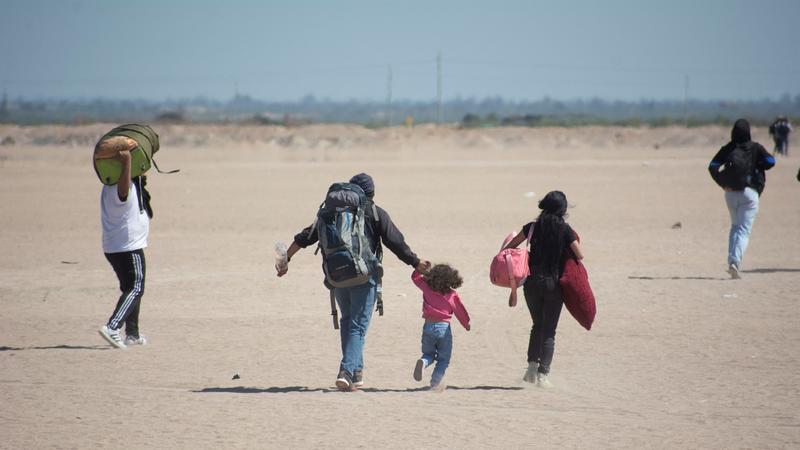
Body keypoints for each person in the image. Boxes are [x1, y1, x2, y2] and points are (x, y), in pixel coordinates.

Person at [277, 173, 429, 391]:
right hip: (364, 276)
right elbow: (395, 242)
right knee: (357, 327)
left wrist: (286, 260)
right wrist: (415, 262)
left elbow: (305, 237)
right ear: (371, 193)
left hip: (336, 276)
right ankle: (346, 372)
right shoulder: (375, 211)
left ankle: (356, 374)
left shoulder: (329, 212)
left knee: (348, 322)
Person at [502, 191, 583, 388]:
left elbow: (509, 248)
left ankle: (531, 368)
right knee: (549, 331)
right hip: (553, 284)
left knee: (537, 325)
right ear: (562, 210)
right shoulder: (565, 230)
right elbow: (579, 255)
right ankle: (543, 375)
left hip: (531, 284)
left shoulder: (532, 228)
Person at [98, 145, 153, 348]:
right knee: (136, 288)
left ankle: (133, 334)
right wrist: (127, 160)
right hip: (128, 247)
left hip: (115, 247)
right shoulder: (121, 188)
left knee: (130, 288)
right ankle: (113, 326)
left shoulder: (108, 185)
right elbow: (124, 190)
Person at [709, 119, 775, 279]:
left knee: (735, 226)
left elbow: (712, 166)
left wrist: (722, 183)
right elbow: (771, 161)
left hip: (730, 192)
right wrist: (757, 163)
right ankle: (735, 262)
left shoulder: (728, 149)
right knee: (744, 230)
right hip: (750, 193)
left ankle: (732, 260)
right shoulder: (755, 148)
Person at [411, 264, 471, 391]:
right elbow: (460, 311)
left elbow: (415, 278)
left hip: (428, 326)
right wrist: (466, 324)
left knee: (428, 354)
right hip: (443, 328)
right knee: (444, 359)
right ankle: (435, 382)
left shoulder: (427, 288)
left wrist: (420, 267)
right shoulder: (451, 295)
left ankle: (424, 362)